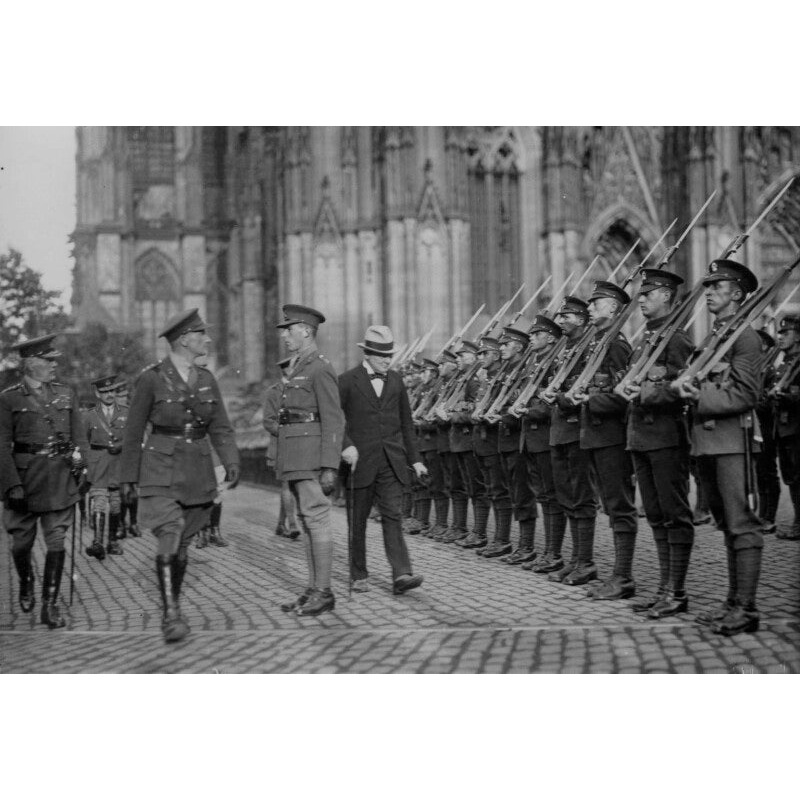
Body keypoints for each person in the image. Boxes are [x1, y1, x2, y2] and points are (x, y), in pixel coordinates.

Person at [120, 309, 240, 643]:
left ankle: (172, 599)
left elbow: (220, 426)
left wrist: (231, 460)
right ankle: (171, 612)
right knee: (170, 531)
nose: (208, 339)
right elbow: (132, 432)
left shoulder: (206, 379)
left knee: (184, 542)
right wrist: (128, 478)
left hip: (197, 468)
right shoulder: (152, 379)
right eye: (201, 334)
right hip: (160, 465)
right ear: (185, 339)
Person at [672, 259, 764, 635]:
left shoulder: (744, 337)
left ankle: (747, 608)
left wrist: (696, 394)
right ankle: (732, 601)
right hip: (707, 441)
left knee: (742, 524)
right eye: (708, 286)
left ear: (737, 294)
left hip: (732, 441)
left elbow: (746, 393)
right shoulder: (714, 336)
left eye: (718, 287)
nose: (708, 292)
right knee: (726, 524)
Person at [0, 333, 89, 628]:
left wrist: (82, 469)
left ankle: (49, 605)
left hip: (59, 479)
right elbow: (1, 446)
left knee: (56, 540)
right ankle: (25, 580)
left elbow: (80, 440)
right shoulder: (9, 398)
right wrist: (11, 485)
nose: (54, 365)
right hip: (24, 482)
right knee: (20, 545)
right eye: (48, 360)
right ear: (30, 364)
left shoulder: (66, 395)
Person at [620, 269, 695, 616]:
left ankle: (676, 592)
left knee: (674, 514)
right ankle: (665, 588)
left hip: (665, 438)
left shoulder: (676, 341)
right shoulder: (645, 340)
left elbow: (685, 389)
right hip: (640, 438)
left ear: (667, 295)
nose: (641, 298)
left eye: (648, 293)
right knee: (654, 515)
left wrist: (647, 393)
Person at [267, 304, 345, 616]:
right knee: (308, 523)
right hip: (297, 457)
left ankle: (324, 591)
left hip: (311, 458)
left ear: (307, 332)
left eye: (289, 329)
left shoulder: (319, 367)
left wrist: (330, 465)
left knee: (316, 520)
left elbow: (333, 419)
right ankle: (314, 588)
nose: (284, 335)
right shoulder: (300, 365)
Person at [339, 325, 427, 595]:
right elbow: (334, 422)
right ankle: (358, 573)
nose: (387, 360)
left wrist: (415, 460)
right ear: (367, 354)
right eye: (381, 356)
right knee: (358, 521)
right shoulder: (346, 381)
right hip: (359, 463)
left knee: (393, 515)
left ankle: (401, 573)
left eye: (390, 355)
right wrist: (346, 446)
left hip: (391, 462)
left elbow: (406, 423)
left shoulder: (397, 381)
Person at [83, 374, 128, 559]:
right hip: (99, 463)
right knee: (99, 501)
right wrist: (85, 465)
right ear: (97, 393)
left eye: (112, 391)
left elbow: (133, 439)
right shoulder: (89, 416)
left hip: (118, 463)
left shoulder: (126, 412)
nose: (109, 394)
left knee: (116, 504)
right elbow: (83, 442)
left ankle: (112, 542)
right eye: (105, 391)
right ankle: (97, 542)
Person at [768, 314, 800, 540]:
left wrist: (785, 395)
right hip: (783, 428)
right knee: (790, 476)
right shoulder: (785, 362)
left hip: (797, 429)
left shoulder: (797, 363)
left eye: (785, 333)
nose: (780, 337)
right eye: (779, 333)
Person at [262, 356, 301, 540]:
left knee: (291, 485)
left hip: (299, 444)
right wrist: (285, 432)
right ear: (286, 370)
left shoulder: (301, 388)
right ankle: (292, 524)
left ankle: (279, 524)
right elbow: (268, 421)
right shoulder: (273, 392)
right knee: (287, 483)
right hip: (281, 444)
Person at [114, 381, 140, 537]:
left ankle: (134, 523)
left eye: (124, 396)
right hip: (117, 458)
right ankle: (121, 523)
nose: (123, 399)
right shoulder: (111, 414)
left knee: (133, 492)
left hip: (131, 457)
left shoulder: (132, 412)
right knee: (122, 493)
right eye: (120, 396)